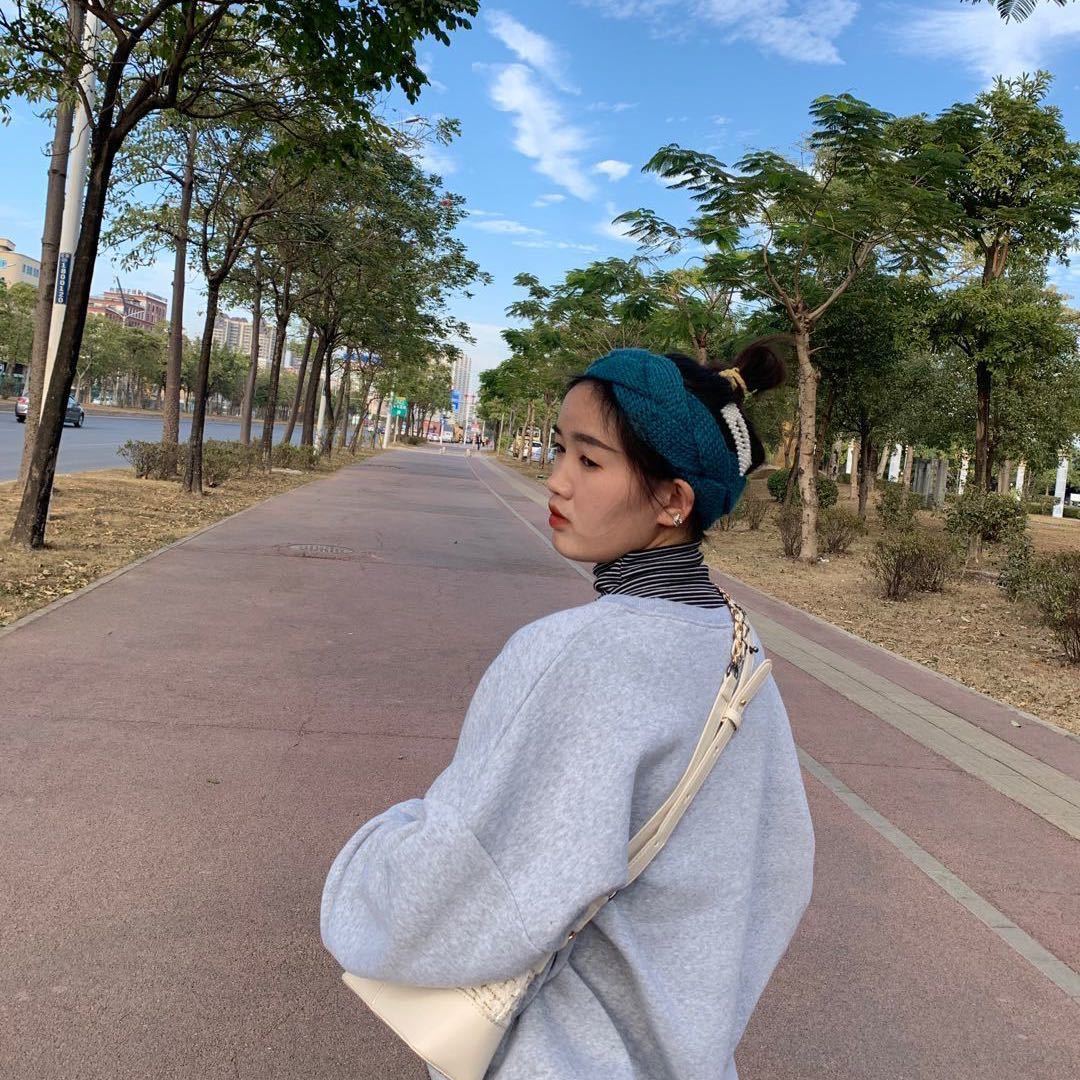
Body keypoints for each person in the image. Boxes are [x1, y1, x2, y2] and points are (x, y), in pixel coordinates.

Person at [321, 337, 814, 1080]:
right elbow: (780, 869)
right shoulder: (738, 643)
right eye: (560, 449)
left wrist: (369, 863)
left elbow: (457, 886)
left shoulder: (579, 653)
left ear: (673, 500)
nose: (555, 481)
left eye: (590, 461)